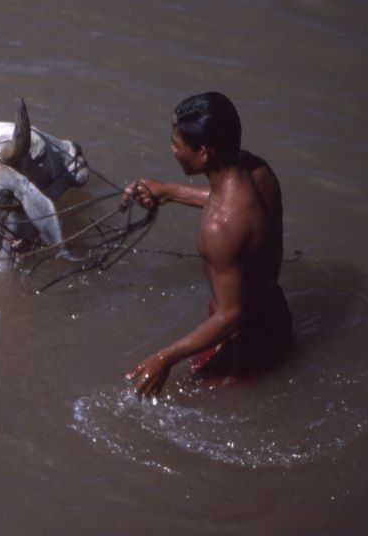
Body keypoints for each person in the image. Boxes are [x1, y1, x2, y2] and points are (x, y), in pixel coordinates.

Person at [121, 91, 292, 398]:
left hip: (245, 343)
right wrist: (167, 191)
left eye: (177, 144)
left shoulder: (220, 229)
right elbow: (227, 204)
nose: (172, 150)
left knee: (185, 397)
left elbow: (231, 315)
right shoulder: (258, 170)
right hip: (276, 317)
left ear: (203, 153)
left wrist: (165, 357)